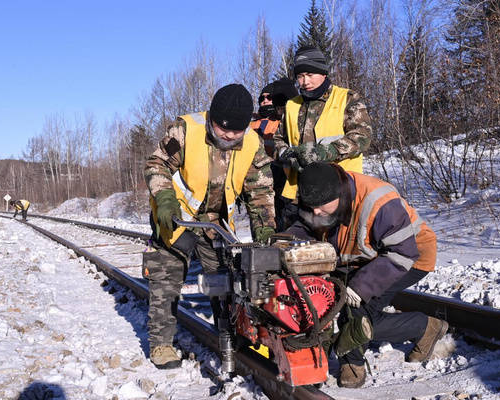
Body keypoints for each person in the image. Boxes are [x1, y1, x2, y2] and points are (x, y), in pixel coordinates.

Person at [143, 83, 276, 369]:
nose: (227, 135)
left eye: (234, 132)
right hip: (177, 217)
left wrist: (265, 233)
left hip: (216, 223)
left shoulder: (253, 143)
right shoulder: (186, 129)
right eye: (220, 128)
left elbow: (260, 193)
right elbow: (156, 164)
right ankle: (162, 344)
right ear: (212, 118)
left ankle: (230, 335)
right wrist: (165, 198)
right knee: (166, 278)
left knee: (228, 282)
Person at [286, 162, 447, 388]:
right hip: (364, 257)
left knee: (353, 314)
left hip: (409, 256)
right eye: (312, 206)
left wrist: (361, 286)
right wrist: (285, 245)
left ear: (340, 195)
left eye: (321, 207)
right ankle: (421, 327)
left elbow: (402, 253)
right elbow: (303, 227)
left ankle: (356, 363)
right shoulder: (319, 199)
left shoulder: (380, 202)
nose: (315, 212)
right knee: (330, 301)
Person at [273, 46, 373, 230]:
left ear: (323, 73)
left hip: (338, 193)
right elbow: (278, 140)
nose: (304, 81)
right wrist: (288, 156)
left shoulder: (346, 98)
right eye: (300, 76)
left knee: (338, 249)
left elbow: (363, 136)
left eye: (310, 74)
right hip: (299, 195)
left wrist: (327, 151)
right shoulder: (292, 105)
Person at [250, 78, 299, 227]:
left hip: (286, 178)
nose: (265, 101)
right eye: (261, 98)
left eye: (268, 97)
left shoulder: (285, 120)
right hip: (262, 181)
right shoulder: (252, 122)